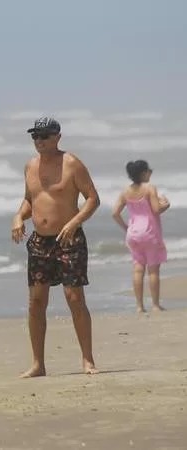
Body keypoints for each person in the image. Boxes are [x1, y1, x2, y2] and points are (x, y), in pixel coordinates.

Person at [11, 117, 100, 378]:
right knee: (36, 302)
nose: (39, 141)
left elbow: (93, 199)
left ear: (57, 137)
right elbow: (31, 200)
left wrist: (75, 222)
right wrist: (18, 217)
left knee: (74, 299)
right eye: (35, 136)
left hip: (68, 240)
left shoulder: (72, 163)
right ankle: (38, 364)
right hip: (39, 242)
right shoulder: (30, 166)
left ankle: (87, 360)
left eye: (44, 136)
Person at [111, 160, 170, 313]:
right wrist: (166, 204)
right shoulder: (149, 188)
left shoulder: (125, 191)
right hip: (150, 233)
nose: (151, 173)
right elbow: (156, 209)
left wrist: (126, 227)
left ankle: (139, 306)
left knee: (138, 269)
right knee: (153, 270)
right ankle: (155, 305)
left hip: (133, 234)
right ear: (143, 173)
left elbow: (115, 213)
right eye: (149, 171)